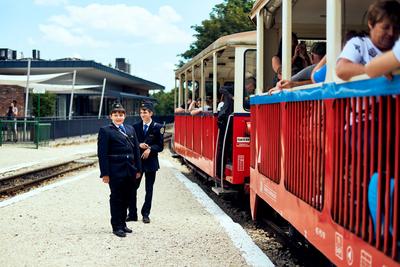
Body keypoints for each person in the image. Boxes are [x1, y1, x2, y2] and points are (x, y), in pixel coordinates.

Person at [97, 102, 142, 237]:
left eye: (121, 115)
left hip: (130, 169)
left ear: (125, 116)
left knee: (127, 197)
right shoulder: (105, 131)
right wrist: (105, 173)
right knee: (117, 198)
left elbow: (136, 150)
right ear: (111, 116)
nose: (118, 117)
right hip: (115, 170)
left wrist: (138, 169)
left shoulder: (130, 129)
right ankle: (116, 226)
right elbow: (102, 154)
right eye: (115, 115)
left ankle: (123, 223)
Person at [336, 0, 400, 80]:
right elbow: (341, 69)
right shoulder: (360, 43)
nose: (391, 33)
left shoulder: (397, 48)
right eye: (385, 27)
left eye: (396, 28)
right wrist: (374, 70)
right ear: (370, 24)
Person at [128, 101, 164, 224]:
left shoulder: (158, 127)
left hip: (151, 163)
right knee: (133, 188)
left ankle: (146, 214)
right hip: (137, 163)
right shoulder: (135, 127)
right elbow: (131, 144)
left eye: (145, 112)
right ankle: (132, 213)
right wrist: (139, 144)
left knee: (149, 189)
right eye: (141, 112)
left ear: (151, 113)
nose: (143, 114)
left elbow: (160, 146)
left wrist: (150, 149)